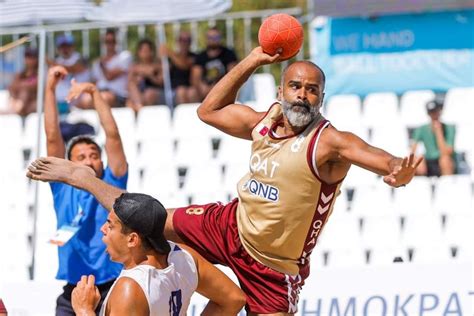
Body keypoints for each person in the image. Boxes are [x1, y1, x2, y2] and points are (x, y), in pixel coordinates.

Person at [34, 47, 422, 315]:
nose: (303, 95)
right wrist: (254, 58)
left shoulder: (329, 142)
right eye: (296, 87)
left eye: (311, 90)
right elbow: (208, 110)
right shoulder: (265, 120)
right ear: (281, 91)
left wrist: (395, 169)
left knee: (230, 300)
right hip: (229, 225)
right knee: (144, 214)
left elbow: (379, 158)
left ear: (321, 97)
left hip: (274, 265)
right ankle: (81, 178)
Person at [27, 164, 246, 315]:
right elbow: (233, 299)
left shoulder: (130, 288)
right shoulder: (184, 256)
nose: (103, 229)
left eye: (110, 225)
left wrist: (84, 310)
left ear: (132, 239)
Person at [44, 65, 128, 315]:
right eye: (81, 157)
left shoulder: (113, 182)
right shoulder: (61, 184)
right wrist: (50, 89)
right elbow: (51, 136)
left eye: (94, 155)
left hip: (114, 286)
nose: (90, 160)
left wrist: (93, 92)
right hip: (73, 291)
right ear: (69, 165)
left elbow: (112, 135)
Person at [411, 99, 456, 176]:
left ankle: (447, 185)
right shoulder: (421, 129)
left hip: (443, 162)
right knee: (417, 162)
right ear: (428, 113)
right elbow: (413, 150)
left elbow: (447, 152)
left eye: (436, 111)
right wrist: (418, 159)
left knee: (445, 161)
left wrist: (439, 133)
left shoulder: (449, 128)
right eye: (431, 112)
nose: (434, 114)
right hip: (428, 161)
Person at [47, 34, 91, 112]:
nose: (65, 49)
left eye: (68, 46)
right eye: (62, 46)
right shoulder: (56, 61)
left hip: (78, 102)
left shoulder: (82, 59)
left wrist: (51, 63)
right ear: (58, 48)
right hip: (60, 102)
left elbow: (73, 68)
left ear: (73, 46)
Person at [191, 27, 237, 101]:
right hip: (204, 92)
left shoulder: (229, 54)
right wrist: (201, 88)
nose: (213, 40)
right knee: (191, 93)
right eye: (210, 37)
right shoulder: (200, 56)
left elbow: (234, 74)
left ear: (220, 38)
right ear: (206, 39)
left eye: (216, 37)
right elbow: (195, 77)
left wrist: (218, 87)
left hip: (223, 89)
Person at [91, 29, 132, 108]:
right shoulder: (97, 63)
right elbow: (94, 82)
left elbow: (109, 76)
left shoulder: (124, 57)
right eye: (107, 41)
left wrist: (102, 65)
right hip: (101, 92)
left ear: (117, 42)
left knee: (104, 98)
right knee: (84, 100)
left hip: (119, 95)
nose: (110, 44)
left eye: (112, 41)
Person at [160, 31, 199, 104]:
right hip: (173, 91)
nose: (184, 43)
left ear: (190, 42)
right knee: (181, 91)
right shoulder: (170, 59)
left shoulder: (194, 57)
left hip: (189, 89)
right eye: (181, 40)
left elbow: (184, 65)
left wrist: (169, 52)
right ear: (177, 41)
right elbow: (162, 76)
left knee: (191, 92)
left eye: (187, 40)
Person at [127, 39, 163, 112]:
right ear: (138, 52)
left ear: (151, 52)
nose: (145, 53)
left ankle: (140, 108)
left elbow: (161, 82)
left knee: (149, 94)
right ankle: (139, 106)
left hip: (154, 92)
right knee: (129, 100)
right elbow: (129, 84)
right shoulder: (134, 67)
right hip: (139, 94)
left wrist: (150, 76)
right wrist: (138, 79)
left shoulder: (158, 65)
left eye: (147, 50)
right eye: (143, 51)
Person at [6, 47, 38, 116]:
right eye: (27, 56)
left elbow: (33, 87)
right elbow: (11, 87)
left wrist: (21, 86)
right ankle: (15, 110)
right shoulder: (20, 74)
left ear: (36, 59)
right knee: (19, 93)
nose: (28, 59)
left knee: (24, 92)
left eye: (31, 57)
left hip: (31, 102)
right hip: (22, 103)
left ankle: (12, 111)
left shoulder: (40, 73)